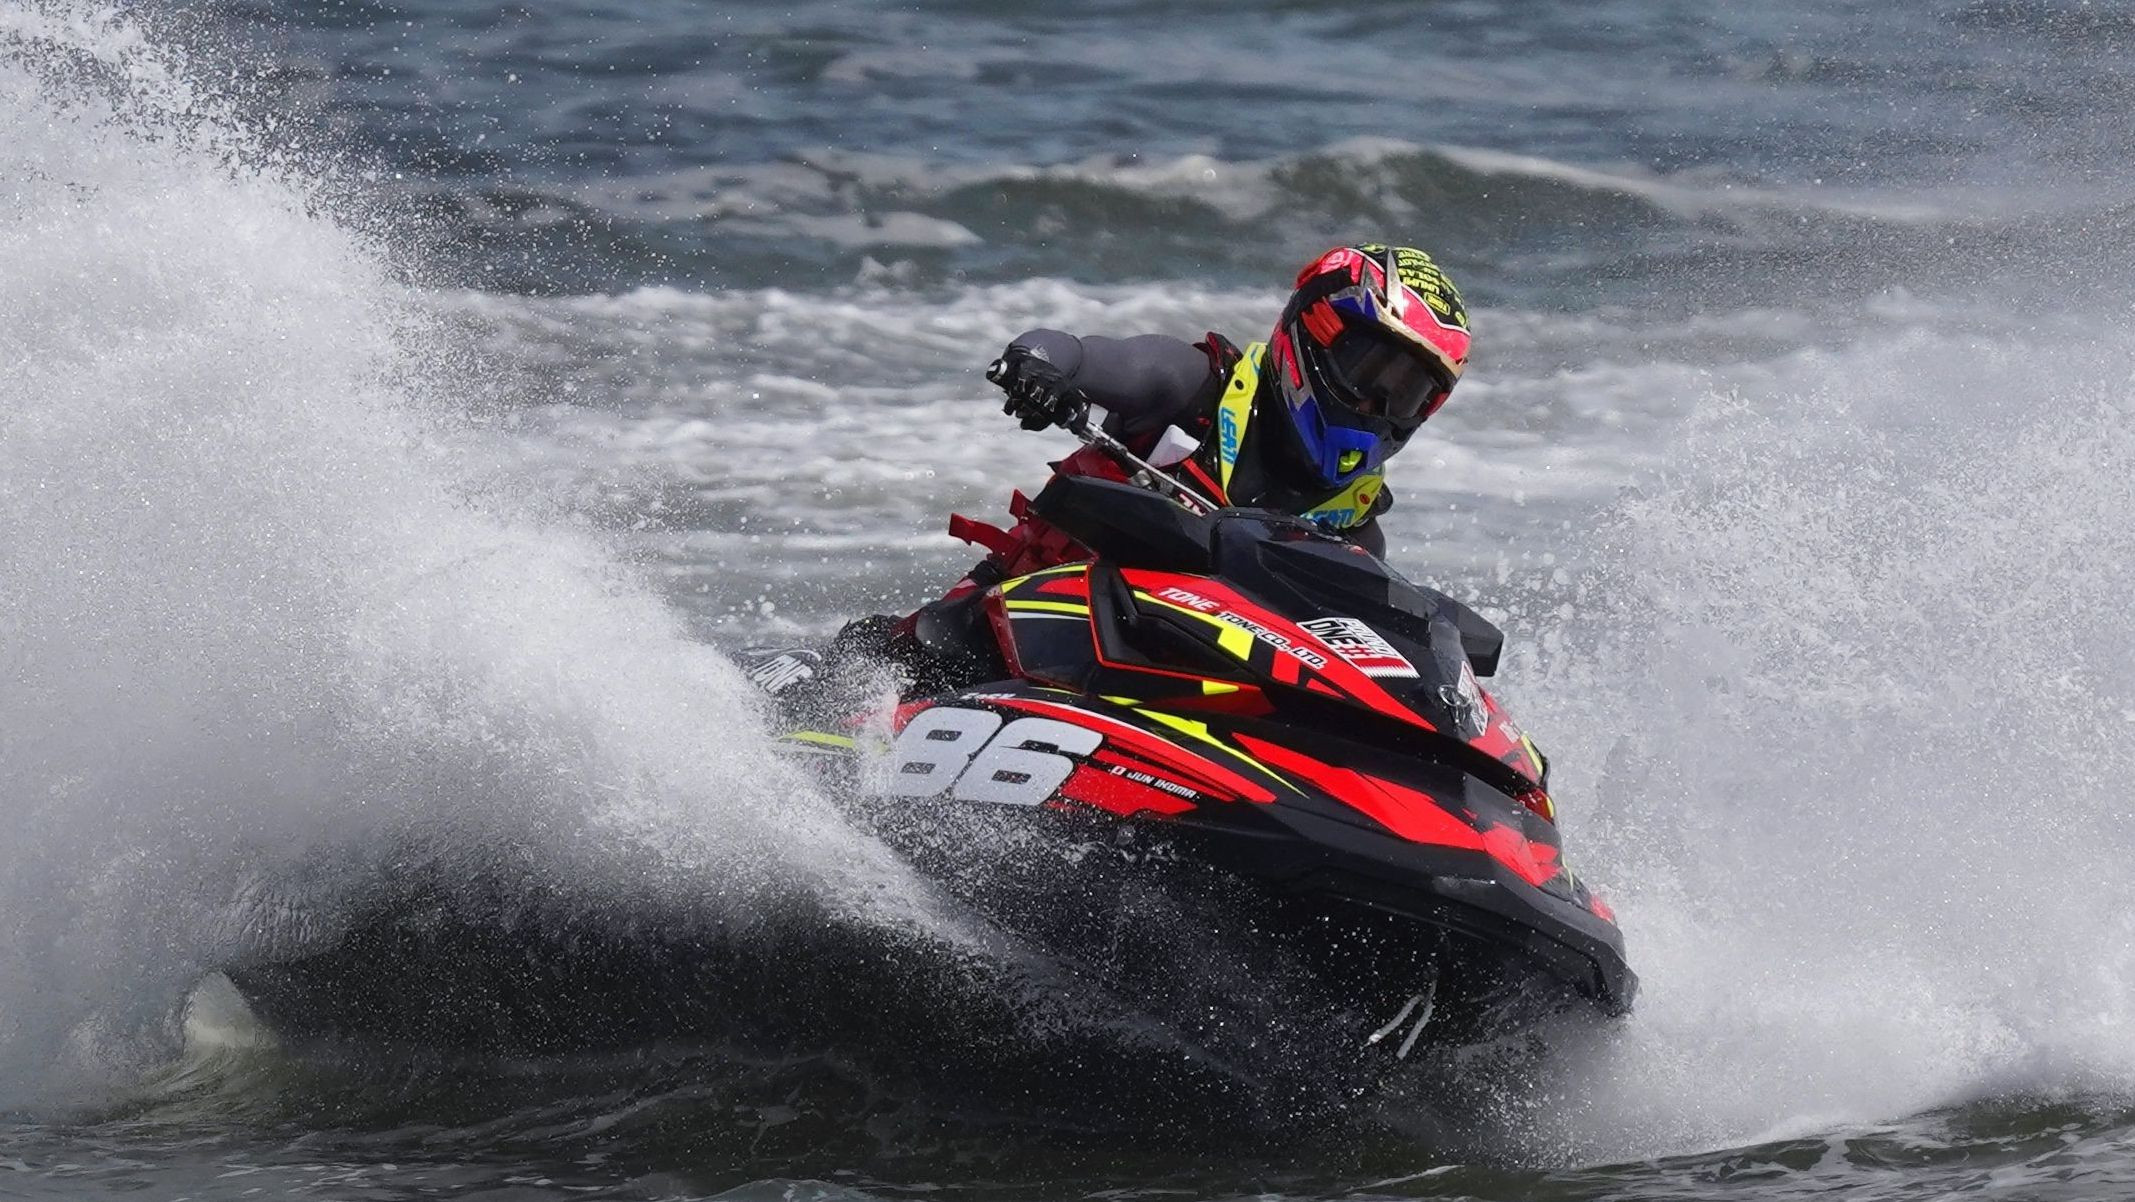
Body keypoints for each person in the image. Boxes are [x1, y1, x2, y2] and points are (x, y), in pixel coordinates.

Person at [740, 242, 1473, 705]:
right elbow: (1071, 351)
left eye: (1406, 395)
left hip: (1175, 680)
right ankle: (834, 703)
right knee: (938, 641)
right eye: (1370, 373)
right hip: (1031, 621)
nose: (1378, 407)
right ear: (1313, 332)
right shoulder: (1192, 385)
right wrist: (1039, 369)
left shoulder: (1355, 524)